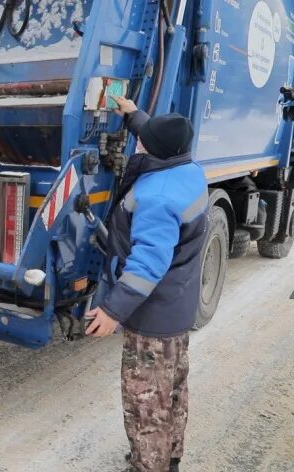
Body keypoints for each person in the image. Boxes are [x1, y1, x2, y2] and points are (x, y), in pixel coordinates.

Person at [85, 97, 208, 472]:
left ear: (154, 150)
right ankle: (169, 457)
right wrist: (134, 115)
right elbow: (156, 139)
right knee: (171, 391)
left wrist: (111, 310)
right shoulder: (188, 170)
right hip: (177, 306)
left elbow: (147, 266)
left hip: (152, 318)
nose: (138, 142)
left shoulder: (157, 196)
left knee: (145, 404)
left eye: (143, 139)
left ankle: (148, 467)